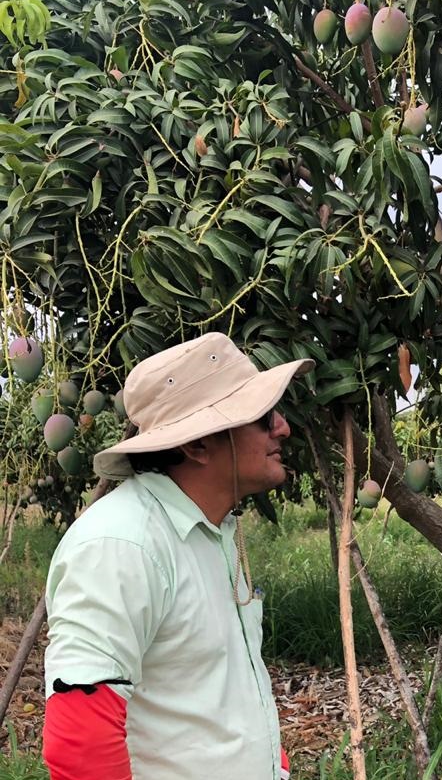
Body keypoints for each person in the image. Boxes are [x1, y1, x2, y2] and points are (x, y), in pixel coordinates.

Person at [42, 332, 313, 780]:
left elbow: (220, 687)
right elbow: (80, 745)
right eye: (262, 417)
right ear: (197, 445)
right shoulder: (121, 545)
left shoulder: (212, 532)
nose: (282, 427)